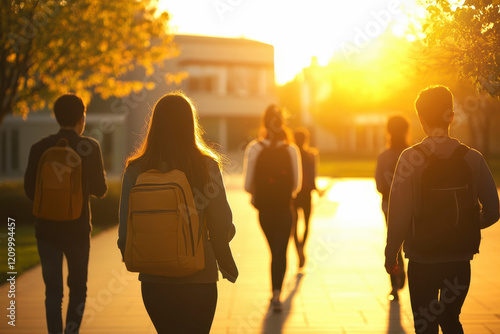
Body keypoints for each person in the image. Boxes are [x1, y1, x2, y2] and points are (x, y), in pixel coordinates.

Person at [117, 92, 238, 333]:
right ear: (190, 123)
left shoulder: (136, 170)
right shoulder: (206, 166)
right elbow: (222, 227)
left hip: (154, 280)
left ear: (155, 124)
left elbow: (124, 235)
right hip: (199, 278)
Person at [385, 85, 499, 334]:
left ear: (421, 118)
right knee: (451, 320)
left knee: (425, 326)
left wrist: (391, 253)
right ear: (451, 116)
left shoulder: (410, 158)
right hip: (459, 259)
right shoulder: (473, 158)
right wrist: (463, 222)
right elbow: (493, 210)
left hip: (422, 259)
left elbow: (399, 215)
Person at [24, 94, 108, 334]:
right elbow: (101, 190)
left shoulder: (39, 148)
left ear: (56, 117)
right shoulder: (90, 147)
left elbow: (31, 191)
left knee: (53, 292)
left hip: (46, 230)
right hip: (78, 231)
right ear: (82, 117)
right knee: (78, 289)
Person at [243, 105, 301, 312]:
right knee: (280, 250)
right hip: (285, 208)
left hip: (265, 210)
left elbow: (248, 185)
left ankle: (275, 292)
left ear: (264, 123)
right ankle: (277, 293)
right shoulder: (291, 149)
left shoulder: (255, 148)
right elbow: (296, 185)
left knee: (273, 249)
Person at [375, 115, 410, 301]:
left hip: (389, 206)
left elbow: (379, 185)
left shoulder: (384, 156)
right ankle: (403, 269)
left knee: (393, 242)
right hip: (413, 207)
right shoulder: (414, 154)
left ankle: (394, 285)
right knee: (410, 241)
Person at [292, 127, 318, 269]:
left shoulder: (292, 155)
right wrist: (316, 188)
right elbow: (313, 174)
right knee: (307, 224)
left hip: (295, 194)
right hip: (307, 193)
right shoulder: (311, 155)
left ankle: (298, 250)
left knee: (294, 225)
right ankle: (303, 246)